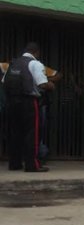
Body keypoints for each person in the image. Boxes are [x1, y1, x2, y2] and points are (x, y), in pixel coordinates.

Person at [2, 42, 55, 172]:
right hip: (29, 102)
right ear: (36, 52)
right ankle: (32, 165)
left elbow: (4, 81)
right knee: (32, 133)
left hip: (12, 102)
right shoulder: (35, 64)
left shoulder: (13, 63)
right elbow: (42, 84)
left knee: (15, 133)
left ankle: (15, 163)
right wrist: (51, 85)